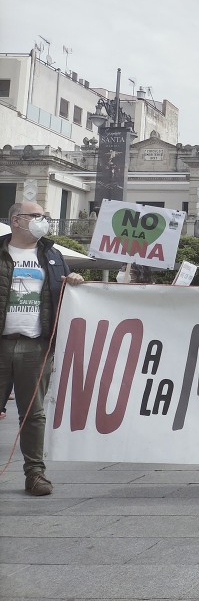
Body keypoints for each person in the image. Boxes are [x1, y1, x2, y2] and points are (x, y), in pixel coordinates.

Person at [1, 201, 85, 495]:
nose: (43, 221)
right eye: (36, 216)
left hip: (36, 347)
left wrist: (76, 279)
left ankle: (35, 475)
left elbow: (66, 289)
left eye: (44, 217)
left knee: (33, 414)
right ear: (16, 220)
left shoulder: (52, 255)